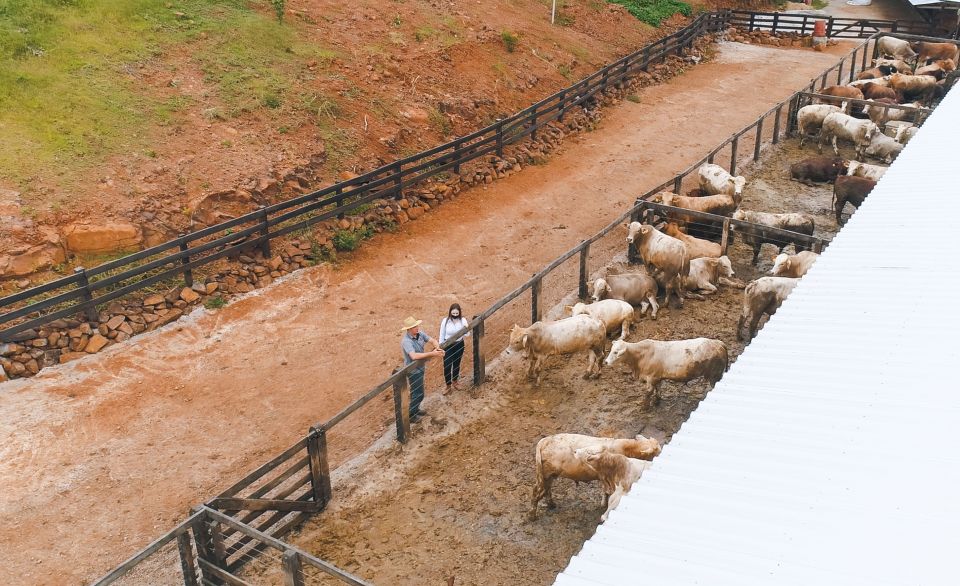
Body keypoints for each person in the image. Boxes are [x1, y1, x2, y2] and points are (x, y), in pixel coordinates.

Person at [399, 316, 444, 423]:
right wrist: (432, 353)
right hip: (413, 371)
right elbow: (413, 356)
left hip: (419, 367)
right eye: (414, 327)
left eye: (416, 325)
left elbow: (432, 340)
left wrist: (437, 347)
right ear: (409, 329)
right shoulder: (406, 341)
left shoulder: (420, 334)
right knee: (418, 393)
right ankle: (411, 415)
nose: (417, 328)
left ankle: (415, 409)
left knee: (417, 392)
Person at [439, 303, 470, 394]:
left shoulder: (463, 320)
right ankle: (448, 385)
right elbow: (441, 334)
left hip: (459, 344)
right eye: (453, 313)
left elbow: (467, 335)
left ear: (459, 313)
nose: (455, 315)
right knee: (447, 365)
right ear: (450, 312)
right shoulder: (445, 321)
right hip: (447, 345)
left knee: (457, 363)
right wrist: (441, 347)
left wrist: (465, 326)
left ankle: (455, 381)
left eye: (457, 314)